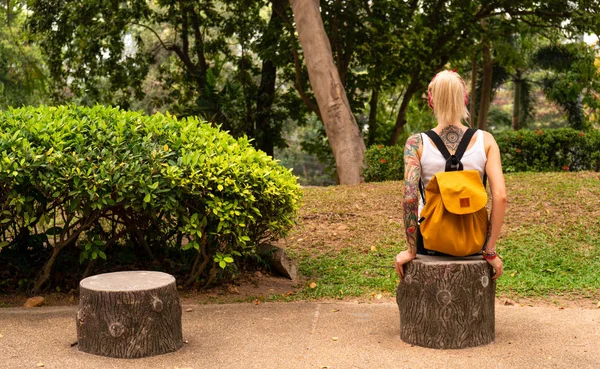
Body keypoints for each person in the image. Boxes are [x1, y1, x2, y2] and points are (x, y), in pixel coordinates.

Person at [394, 70, 506, 280]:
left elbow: (410, 197)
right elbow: (500, 197)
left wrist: (411, 250)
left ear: (431, 101)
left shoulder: (416, 143)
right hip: (474, 242)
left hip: (429, 243)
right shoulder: (486, 140)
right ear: (464, 98)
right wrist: (489, 250)